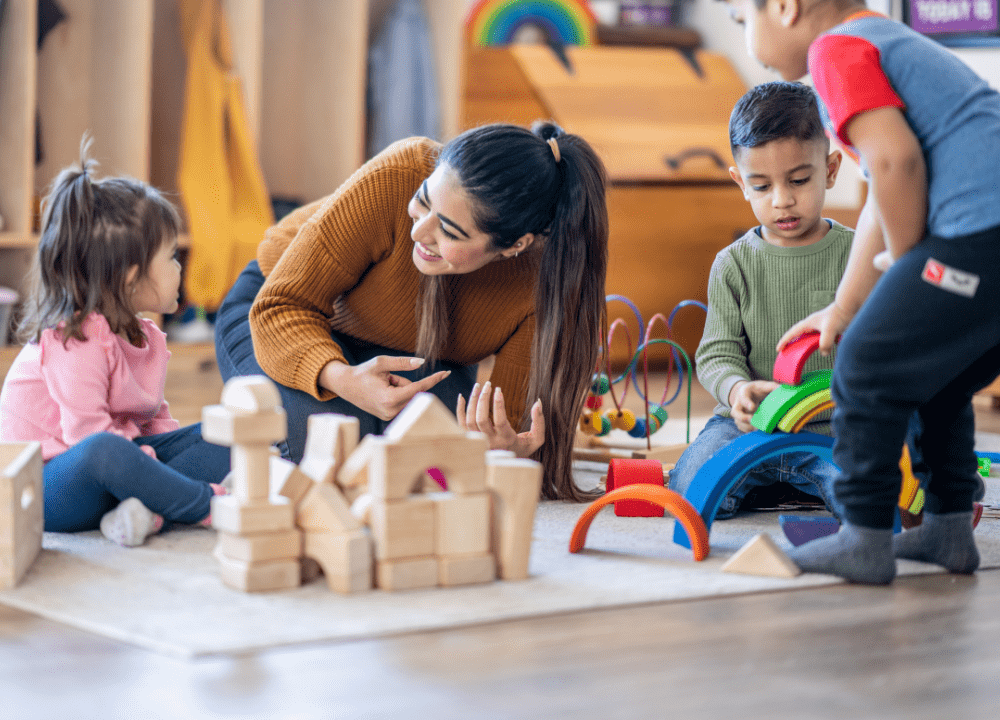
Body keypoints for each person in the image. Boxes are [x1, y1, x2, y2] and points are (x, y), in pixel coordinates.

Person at [716, 0, 1000, 584]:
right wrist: (844, 307)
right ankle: (948, 530)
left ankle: (864, 534)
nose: (746, 38)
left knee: (868, 364)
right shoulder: (887, 40)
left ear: (782, 1)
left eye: (741, 17)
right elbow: (879, 185)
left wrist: (907, 269)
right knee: (940, 376)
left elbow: (897, 164)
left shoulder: (835, 52)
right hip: (988, 243)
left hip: (977, 236)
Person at [214, 121, 608, 500]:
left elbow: (514, 422)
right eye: (423, 200)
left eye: (451, 232)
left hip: (415, 351)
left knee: (425, 457)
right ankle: (156, 462)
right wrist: (344, 379)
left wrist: (502, 451)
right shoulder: (398, 172)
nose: (418, 232)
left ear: (513, 246)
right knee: (323, 448)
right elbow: (280, 306)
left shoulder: (544, 284)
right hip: (280, 308)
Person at [0, 140, 232, 547]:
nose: (180, 267)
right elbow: (88, 437)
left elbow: (155, 420)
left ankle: (147, 508)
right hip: (47, 487)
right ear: (130, 275)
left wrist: (161, 471)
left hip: (119, 467)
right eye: (172, 256)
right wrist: (160, 476)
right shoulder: (76, 339)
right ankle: (205, 505)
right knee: (105, 449)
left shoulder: (146, 336)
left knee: (222, 431)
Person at [668, 81, 851, 517]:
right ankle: (779, 486)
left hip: (833, 429)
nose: (783, 200)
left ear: (829, 169)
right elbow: (717, 352)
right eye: (762, 186)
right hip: (747, 427)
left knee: (875, 495)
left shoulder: (855, 255)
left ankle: (796, 486)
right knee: (689, 485)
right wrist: (737, 391)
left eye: (799, 180)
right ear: (741, 183)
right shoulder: (733, 264)